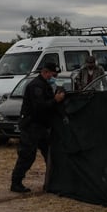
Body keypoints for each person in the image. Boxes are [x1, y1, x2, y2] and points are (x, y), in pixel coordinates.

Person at [10, 60, 66, 193]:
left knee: (50, 154)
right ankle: (16, 182)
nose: (54, 78)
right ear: (45, 72)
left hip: (42, 126)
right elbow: (39, 107)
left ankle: (53, 181)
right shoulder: (36, 86)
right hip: (31, 126)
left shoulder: (45, 85)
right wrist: (55, 100)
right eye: (53, 75)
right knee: (27, 155)